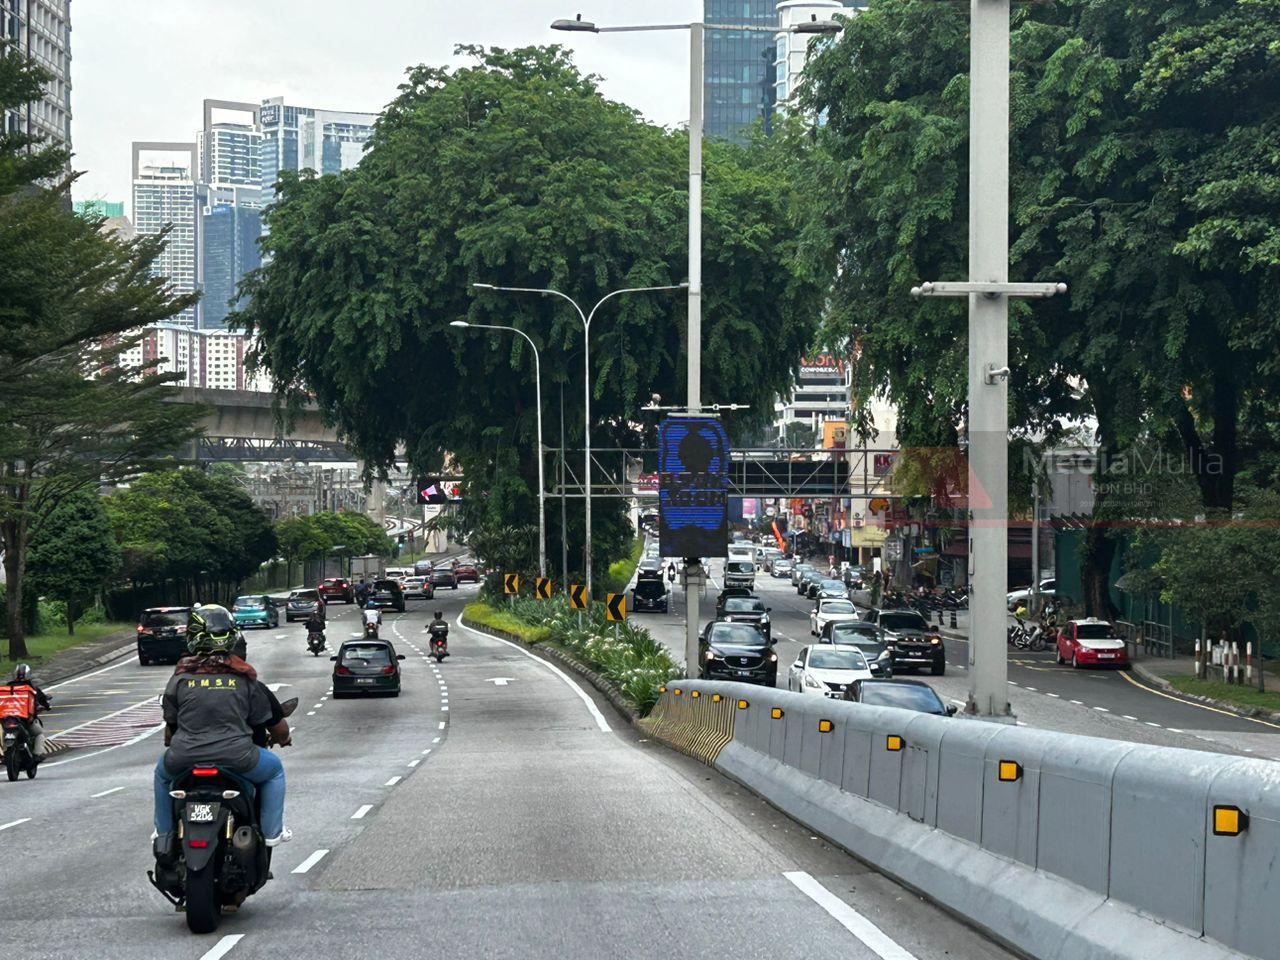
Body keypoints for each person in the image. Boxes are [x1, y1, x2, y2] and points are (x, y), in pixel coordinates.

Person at [153, 603, 292, 866]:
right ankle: (273, 834)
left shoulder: (179, 679)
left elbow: (170, 730)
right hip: (238, 759)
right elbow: (276, 727)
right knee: (274, 771)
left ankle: (164, 833)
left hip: (183, 759)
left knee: (161, 775)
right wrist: (283, 738)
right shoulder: (246, 680)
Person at [7, 663, 51, 761]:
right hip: (24, 719)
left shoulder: (8, 688)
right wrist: (46, 706)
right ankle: (37, 754)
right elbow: (43, 700)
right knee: (39, 733)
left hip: (7, 718)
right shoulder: (32, 689)